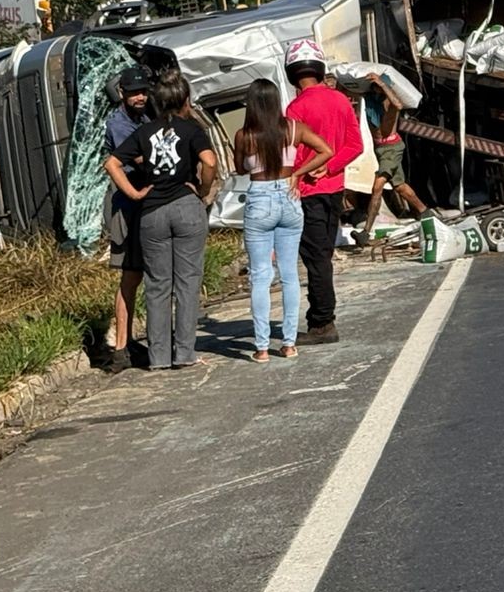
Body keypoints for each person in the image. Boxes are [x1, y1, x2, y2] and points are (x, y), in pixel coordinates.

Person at [105, 69, 216, 371]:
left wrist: (137, 193)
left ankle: (157, 357)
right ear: (185, 99)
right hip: (183, 204)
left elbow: (111, 163)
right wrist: (203, 190)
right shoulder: (191, 129)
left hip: (150, 212)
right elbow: (209, 161)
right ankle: (184, 353)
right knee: (187, 282)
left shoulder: (143, 130)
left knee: (156, 284)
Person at [234, 79, 332, 363]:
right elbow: (326, 149)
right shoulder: (293, 128)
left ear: (251, 104)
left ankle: (262, 347)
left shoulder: (245, 135)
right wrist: (298, 172)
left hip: (260, 198)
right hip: (289, 197)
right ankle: (288, 343)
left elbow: (240, 167)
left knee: (261, 277)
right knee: (290, 275)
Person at [283, 40, 361, 345]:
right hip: (334, 189)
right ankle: (323, 318)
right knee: (324, 254)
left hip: (306, 192)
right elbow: (355, 145)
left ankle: (322, 322)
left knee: (316, 258)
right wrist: (330, 168)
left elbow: (289, 155)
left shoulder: (295, 108)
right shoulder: (340, 101)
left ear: (292, 72)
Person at [102, 65, 152, 375]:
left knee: (143, 275)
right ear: (122, 93)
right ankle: (121, 347)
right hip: (127, 205)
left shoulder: (146, 117)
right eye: (134, 92)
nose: (140, 96)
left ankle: (130, 342)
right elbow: (140, 159)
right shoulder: (118, 124)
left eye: (143, 90)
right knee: (130, 276)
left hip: (146, 203)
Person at [354, 73, 430, 249]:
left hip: (392, 149)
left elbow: (398, 104)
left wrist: (382, 84)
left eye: (379, 88)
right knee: (400, 186)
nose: (376, 90)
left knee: (377, 186)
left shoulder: (389, 104)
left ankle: (365, 232)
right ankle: (425, 212)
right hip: (381, 150)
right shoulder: (370, 102)